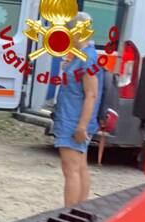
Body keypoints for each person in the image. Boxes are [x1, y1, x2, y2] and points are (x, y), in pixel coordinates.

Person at [53, 12, 102, 207]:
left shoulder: (87, 58)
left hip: (74, 121)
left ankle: (68, 215)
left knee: (70, 170)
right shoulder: (79, 56)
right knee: (80, 167)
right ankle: (79, 211)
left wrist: (81, 126)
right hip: (72, 117)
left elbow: (91, 94)